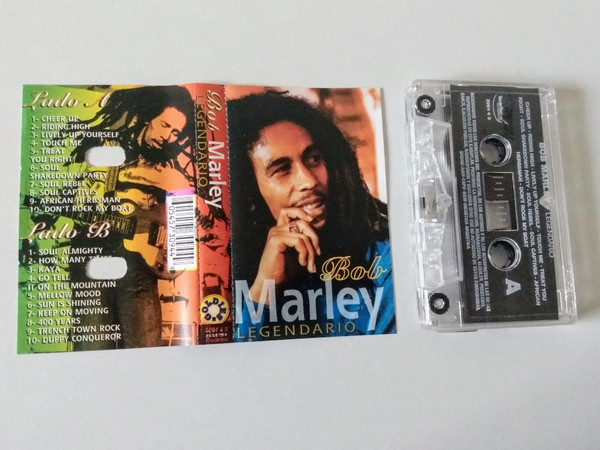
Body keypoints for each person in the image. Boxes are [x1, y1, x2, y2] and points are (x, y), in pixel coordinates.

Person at [227, 91, 396, 341]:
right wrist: (264, 287)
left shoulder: (385, 261)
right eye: (282, 169)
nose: (309, 181)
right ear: (249, 195)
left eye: (314, 159)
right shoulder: (228, 273)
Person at [65, 85, 196, 350]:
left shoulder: (172, 173)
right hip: (93, 262)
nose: (168, 137)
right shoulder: (103, 148)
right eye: (165, 125)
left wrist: (164, 242)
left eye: (175, 132)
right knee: (92, 350)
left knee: (145, 349)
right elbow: (71, 195)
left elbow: (184, 236)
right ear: (149, 117)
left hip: (139, 271)